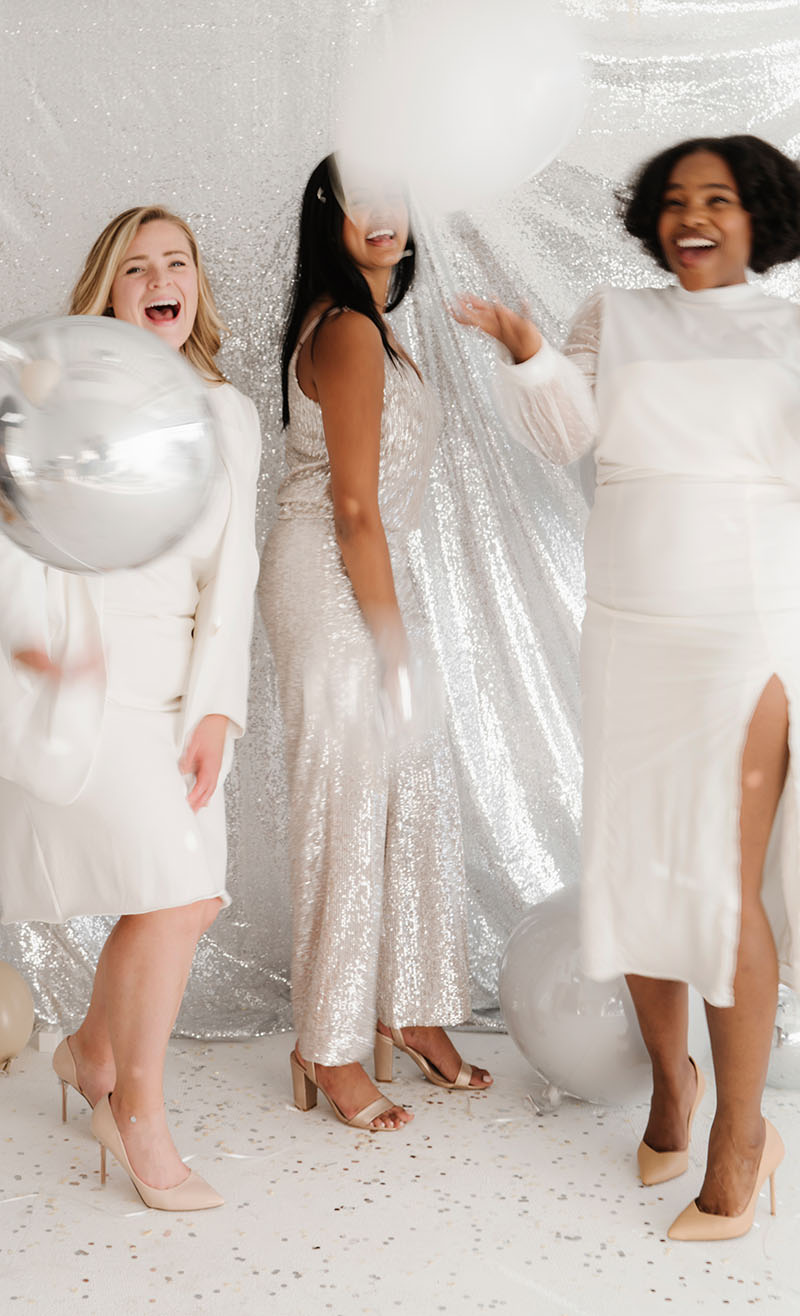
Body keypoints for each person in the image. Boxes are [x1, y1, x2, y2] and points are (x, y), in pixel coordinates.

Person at [453, 135, 800, 1240]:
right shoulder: (615, 313)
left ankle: (741, 1132)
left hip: (743, 628)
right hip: (629, 629)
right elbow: (564, 435)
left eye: (719, 198)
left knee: (720, 882)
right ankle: (672, 1083)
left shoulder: (791, 329)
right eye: (675, 198)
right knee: (638, 869)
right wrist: (525, 351)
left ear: (759, 216)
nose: (693, 215)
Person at [0, 206, 261, 1209]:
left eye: (177, 262)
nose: (161, 280)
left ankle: (90, 1051)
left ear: (195, 285)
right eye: (137, 267)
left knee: (185, 895)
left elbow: (233, 572)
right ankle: (134, 1110)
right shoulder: (60, 395)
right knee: (173, 891)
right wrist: (27, 646)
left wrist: (218, 709)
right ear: (108, 294)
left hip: (178, 687)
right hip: (90, 674)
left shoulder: (227, 413)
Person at [259, 154, 491, 1131]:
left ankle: (409, 1006)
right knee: (349, 806)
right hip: (330, 574)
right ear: (330, 216)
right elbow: (353, 507)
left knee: (411, 792)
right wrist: (393, 646)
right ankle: (327, 1042)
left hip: (369, 571)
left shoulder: (373, 324)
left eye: (396, 193)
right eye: (362, 198)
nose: (384, 213)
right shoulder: (348, 330)